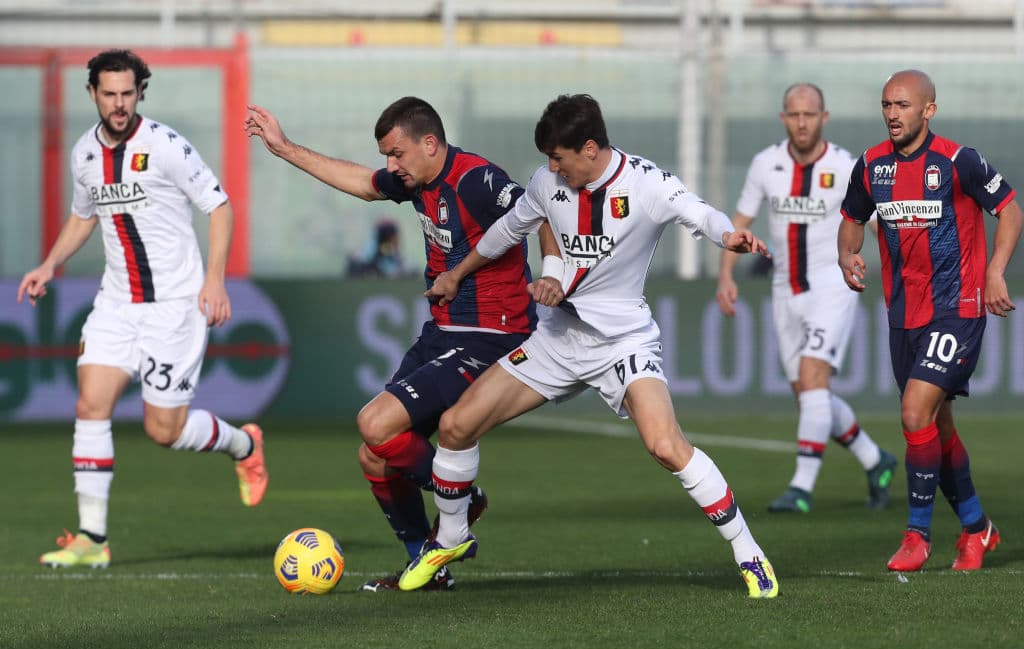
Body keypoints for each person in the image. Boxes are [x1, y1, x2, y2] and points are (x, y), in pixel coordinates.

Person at [402, 93, 780, 598]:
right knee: (455, 425)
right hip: (557, 342)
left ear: (588, 149)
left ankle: (749, 553)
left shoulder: (647, 184)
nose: (550, 169)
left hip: (622, 342)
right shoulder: (546, 184)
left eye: (558, 158)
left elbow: (700, 213)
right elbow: (504, 231)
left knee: (667, 447)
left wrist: (730, 235)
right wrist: (456, 274)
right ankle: (451, 537)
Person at [245, 96, 559, 591]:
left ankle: (461, 496)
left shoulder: (477, 180)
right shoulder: (417, 180)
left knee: (374, 422)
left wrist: (554, 274)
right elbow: (362, 184)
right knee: (374, 455)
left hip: (493, 336)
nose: (391, 167)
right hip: (442, 332)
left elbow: (540, 214)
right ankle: (429, 565)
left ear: (429, 144)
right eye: (387, 156)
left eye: (397, 154)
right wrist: (284, 149)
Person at [17, 49, 267, 569]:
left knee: (164, 432)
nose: (119, 103)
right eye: (108, 93)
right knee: (90, 405)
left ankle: (243, 444)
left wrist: (215, 280)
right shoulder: (84, 153)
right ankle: (92, 539)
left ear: (139, 92)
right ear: (92, 94)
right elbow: (83, 216)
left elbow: (219, 207)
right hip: (116, 304)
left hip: (174, 306)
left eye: (127, 93)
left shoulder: (165, 146)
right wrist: (49, 264)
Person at [839, 69, 1022, 571]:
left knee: (914, 413)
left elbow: (1009, 210)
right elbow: (851, 219)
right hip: (904, 313)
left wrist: (996, 271)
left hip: (957, 307)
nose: (892, 114)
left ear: (928, 110)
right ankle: (978, 528)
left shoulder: (959, 161)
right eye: (886, 105)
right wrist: (847, 255)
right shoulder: (871, 165)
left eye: (902, 105)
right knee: (934, 429)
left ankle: (917, 536)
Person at [717, 83, 897, 514]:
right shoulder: (766, 164)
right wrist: (725, 274)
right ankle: (876, 461)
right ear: (784, 119)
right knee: (810, 398)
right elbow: (740, 222)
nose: (802, 122)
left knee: (815, 380)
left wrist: (897, 269)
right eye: (794, 115)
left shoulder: (846, 166)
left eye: (809, 115)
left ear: (824, 118)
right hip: (785, 289)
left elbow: (875, 224)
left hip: (831, 284)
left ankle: (801, 487)